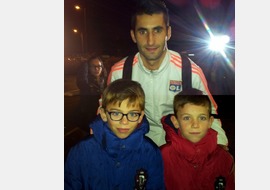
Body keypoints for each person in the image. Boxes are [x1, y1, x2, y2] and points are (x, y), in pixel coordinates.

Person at [105, 0, 228, 147]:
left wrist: (221, 149)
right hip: (135, 152)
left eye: (157, 30)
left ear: (168, 32)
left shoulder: (189, 71)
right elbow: (106, 116)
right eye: (143, 31)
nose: (150, 41)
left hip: (181, 153)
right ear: (133, 35)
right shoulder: (120, 73)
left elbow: (210, 115)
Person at [65, 79, 165, 190]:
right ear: (103, 114)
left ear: (140, 117)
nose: (124, 122)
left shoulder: (151, 152)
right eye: (116, 113)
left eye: (132, 114)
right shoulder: (80, 151)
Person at [160, 88, 235, 190]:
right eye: (187, 118)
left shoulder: (224, 158)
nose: (195, 125)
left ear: (210, 121)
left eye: (202, 118)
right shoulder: (162, 156)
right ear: (175, 121)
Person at [76, 55, 107, 133]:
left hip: (102, 118)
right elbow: (82, 81)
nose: (97, 69)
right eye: (93, 66)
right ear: (88, 68)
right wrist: (85, 64)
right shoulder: (86, 83)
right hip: (89, 118)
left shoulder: (104, 81)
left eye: (99, 66)